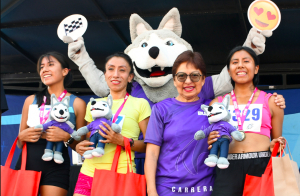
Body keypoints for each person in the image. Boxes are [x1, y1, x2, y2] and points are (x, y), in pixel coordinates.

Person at [144, 50, 286, 196]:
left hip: (208, 186)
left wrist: (276, 102)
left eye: (195, 76)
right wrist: (151, 191)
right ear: (174, 80)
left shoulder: (218, 106)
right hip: (171, 187)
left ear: (203, 79)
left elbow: (275, 144)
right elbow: (152, 153)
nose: (188, 81)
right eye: (181, 76)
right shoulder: (166, 108)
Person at [209, 46, 285, 196]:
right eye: (235, 62)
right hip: (227, 166)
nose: (240, 65)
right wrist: (210, 141)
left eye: (246, 61)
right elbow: (211, 141)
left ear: (256, 68)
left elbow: (277, 143)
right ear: (229, 71)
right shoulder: (216, 104)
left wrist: (277, 144)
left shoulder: (272, 102)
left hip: (261, 165)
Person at [73, 52, 151, 196]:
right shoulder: (94, 104)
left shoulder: (140, 104)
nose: (115, 74)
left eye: (122, 70)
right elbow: (89, 139)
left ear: (130, 77)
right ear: (104, 74)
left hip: (122, 172)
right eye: (110, 69)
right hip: (89, 172)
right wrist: (79, 146)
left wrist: (122, 141)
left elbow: (150, 145)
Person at [16, 52, 86, 196]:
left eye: (50, 64)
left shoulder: (78, 103)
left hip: (57, 164)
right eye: (42, 67)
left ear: (65, 71)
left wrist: (66, 137)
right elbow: (19, 142)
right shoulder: (31, 100)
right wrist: (22, 136)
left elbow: (81, 145)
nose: (44, 70)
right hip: (28, 161)